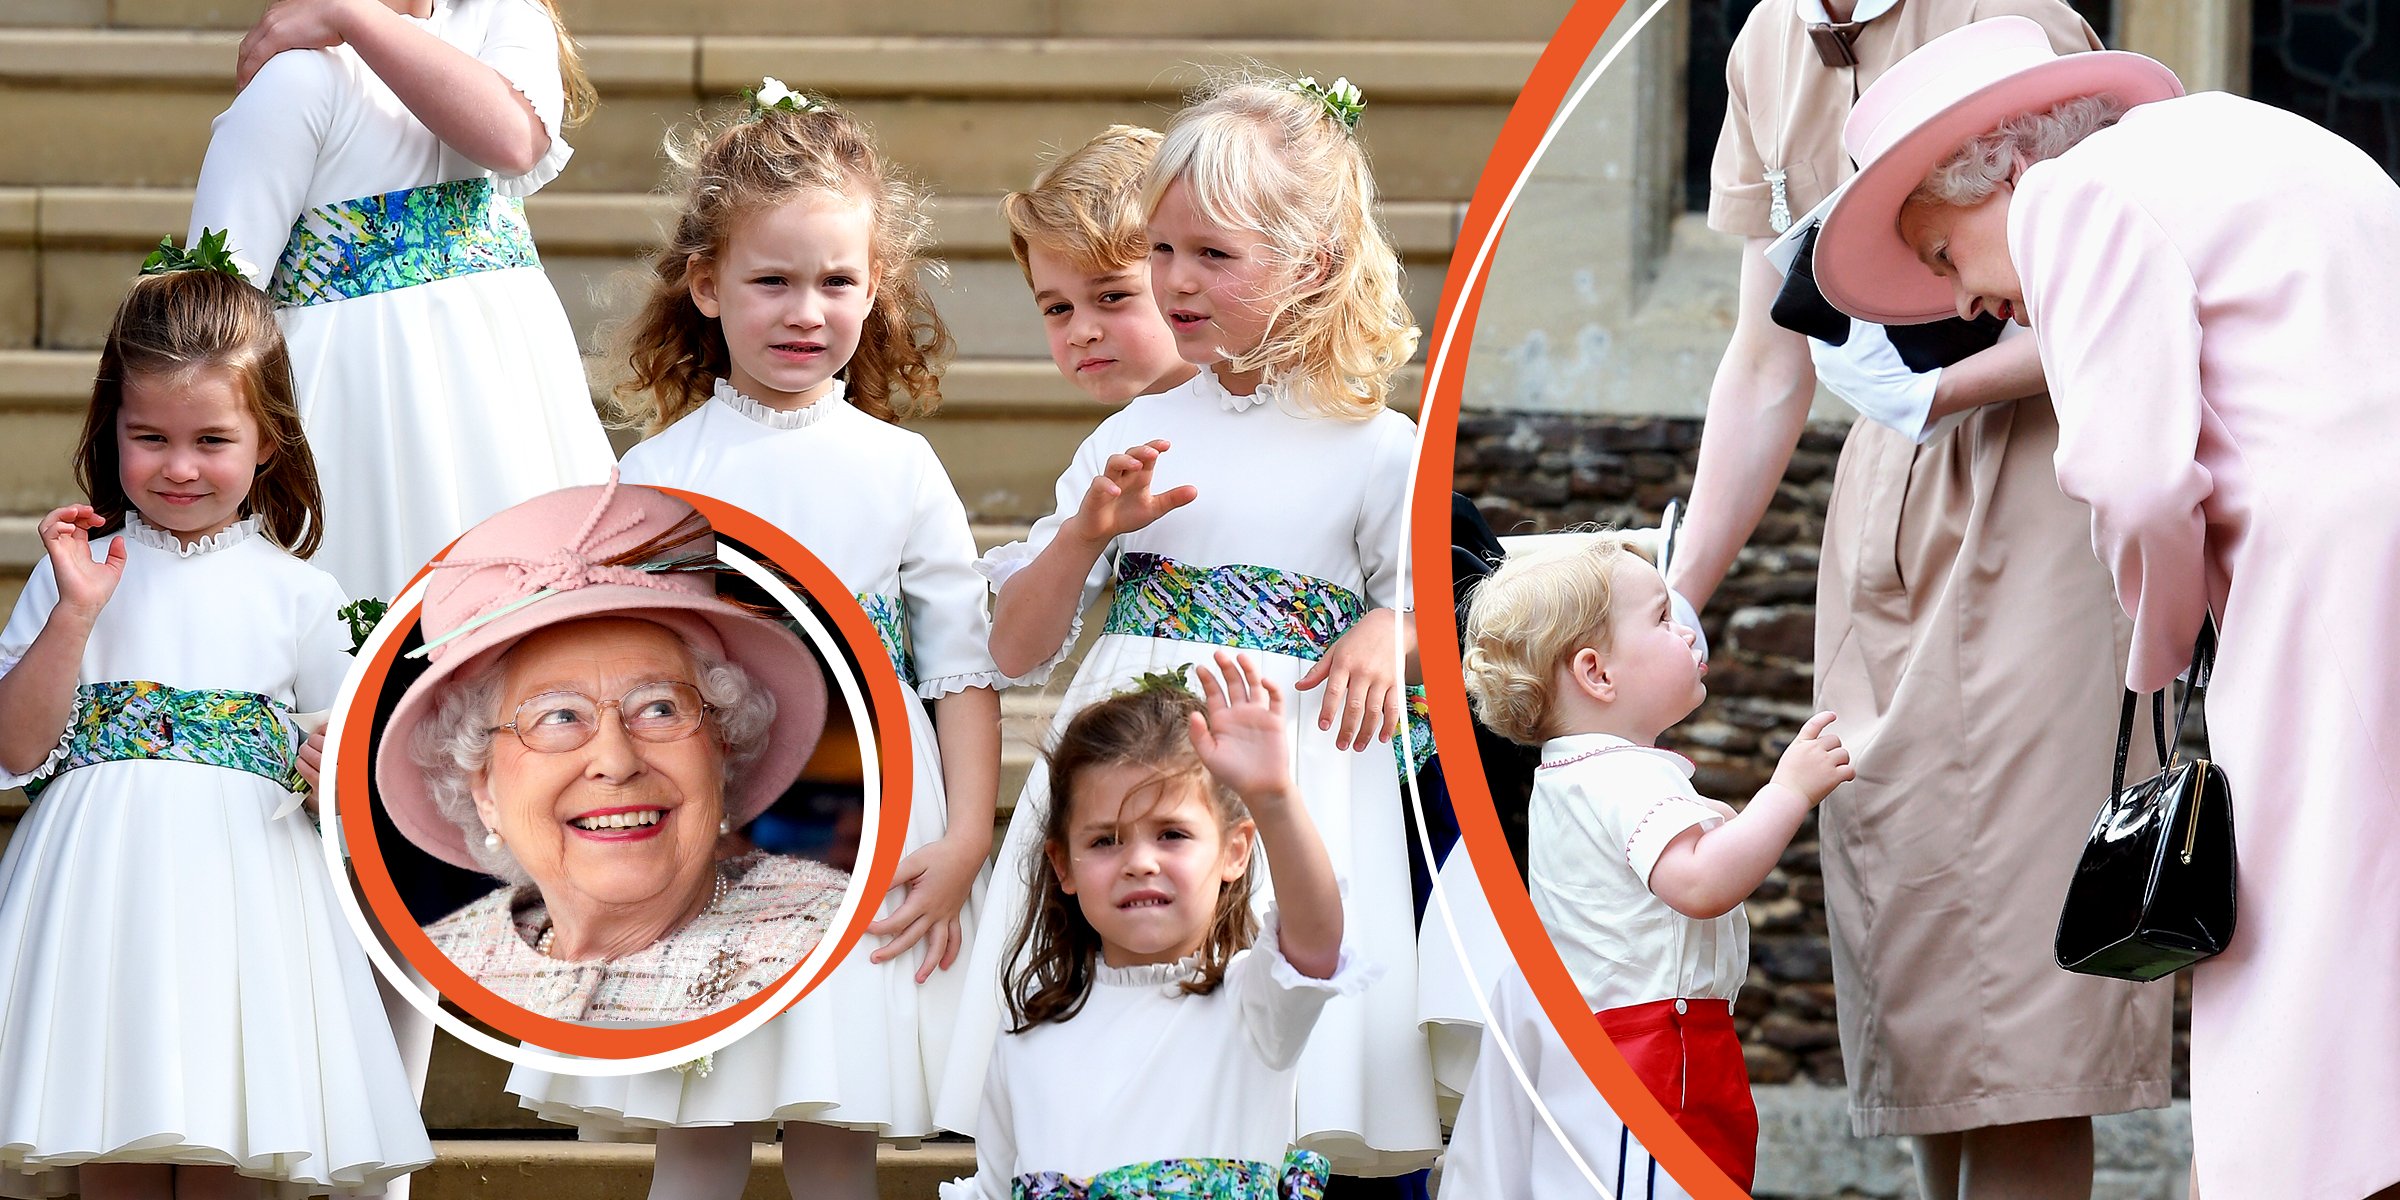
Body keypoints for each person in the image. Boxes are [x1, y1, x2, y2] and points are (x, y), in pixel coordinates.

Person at [1812, 18, 2400, 1198]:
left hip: (2324, 575)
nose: (1967, 301)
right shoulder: (2253, 138)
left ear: (2000, 169)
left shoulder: (2071, 200)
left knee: (2308, 945)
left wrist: (2160, 648)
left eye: (1939, 255)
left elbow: (2132, 481)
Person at [1677, 3, 2172, 1193]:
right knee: (1928, 994)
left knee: (2028, 1022)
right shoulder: (1764, 46)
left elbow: (2136, 286)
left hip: (2045, 500)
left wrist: (1939, 393)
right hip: (1881, 527)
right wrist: (1676, 592)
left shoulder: (2013, 18)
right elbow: (1766, 356)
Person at [935, 73, 1440, 1177]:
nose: (1175, 282)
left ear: (1310, 263)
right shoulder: (1140, 431)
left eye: (1214, 255)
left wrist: (1383, 628)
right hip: (1133, 772)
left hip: (1288, 767)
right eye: (1161, 252)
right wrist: (1083, 537)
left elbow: (1433, 611)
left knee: (1272, 1038)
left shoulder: (1375, 444)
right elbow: (1014, 649)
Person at [510, 87, 996, 1200]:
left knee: (838, 1121)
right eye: (772, 280)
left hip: (865, 813)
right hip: (708, 818)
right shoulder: (659, 474)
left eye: (836, 281)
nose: (804, 310)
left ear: (875, 290)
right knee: (701, 1111)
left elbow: (960, 670)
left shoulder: (902, 471)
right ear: (707, 284)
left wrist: (967, 835)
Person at [0, 260, 431, 1198]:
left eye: (211, 439)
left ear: (268, 441)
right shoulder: (75, 574)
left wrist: (332, 774)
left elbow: (354, 780)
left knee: (225, 1149)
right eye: (149, 437)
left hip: (241, 912)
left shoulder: (302, 597)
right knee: (111, 1143)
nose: (180, 466)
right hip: (98, 905)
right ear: (108, 431)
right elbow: (17, 749)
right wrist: (73, 615)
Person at [374, 479, 852, 1022]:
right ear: (482, 788)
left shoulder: (839, 942)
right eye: (558, 717)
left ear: (721, 749)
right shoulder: (439, 970)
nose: (617, 761)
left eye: (660, 708)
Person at [1458, 534, 1851, 1190]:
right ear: (1596, 673)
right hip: (1651, 1050)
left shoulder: (1578, 774)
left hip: (1648, 1039)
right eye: (1664, 619)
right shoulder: (1621, 776)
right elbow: (1700, 882)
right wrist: (1787, 793)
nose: (1688, 632)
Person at [187, 0, 614, 600]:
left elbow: (514, 138)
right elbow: (217, 297)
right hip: (354, 405)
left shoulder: (504, 20)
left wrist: (352, 16)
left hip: (502, 400)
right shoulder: (303, 74)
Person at [940, 653, 1358, 1199]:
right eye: (1105, 840)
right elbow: (996, 1188)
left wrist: (1274, 797)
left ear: (1234, 851)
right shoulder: (1029, 1028)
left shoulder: (1254, 1004)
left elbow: (1316, 938)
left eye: (1172, 834)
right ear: (1063, 864)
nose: (1140, 862)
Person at [1003, 124, 1198, 405]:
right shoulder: (1105, 444)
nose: (1082, 334)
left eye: (1113, 296)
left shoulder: (1276, 418)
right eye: (1058, 308)